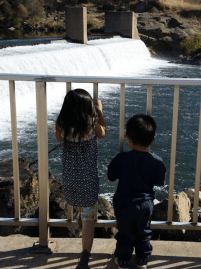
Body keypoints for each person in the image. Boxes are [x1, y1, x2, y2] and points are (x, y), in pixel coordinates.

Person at [55, 88, 106, 269]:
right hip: (88, 182)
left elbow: (58, 138)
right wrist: (99, 112)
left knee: (80, 207)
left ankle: (79, 215)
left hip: (70, 181)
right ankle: (85, 255)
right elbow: (103, 133)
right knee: (89, 217)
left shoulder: (63, 125)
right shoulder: (92, 127)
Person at [108, 114, 166, 269]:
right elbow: (160, 182)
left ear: (128, 138)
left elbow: (111, 176)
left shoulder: (122, 158)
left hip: (123, 203)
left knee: (125, 233)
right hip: (145, 204)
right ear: (153, 138)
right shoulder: (157, 161)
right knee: (144, 232)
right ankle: (142, 259)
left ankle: (123, 260)